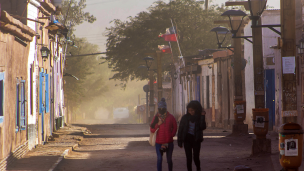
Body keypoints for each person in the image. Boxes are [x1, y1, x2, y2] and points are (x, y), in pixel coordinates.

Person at [177, 100, 206, 171]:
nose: (191, 112)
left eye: (192, 110)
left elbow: (203, 127)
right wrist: (179, 141)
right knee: (189, 158)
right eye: (189, 110)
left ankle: (198, 168)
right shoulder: (185, 118)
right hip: (187, 140)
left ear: (196, 110)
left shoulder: (199, 118)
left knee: (196, 157)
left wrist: (202, 116)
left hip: (196, 140)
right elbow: (180, 130)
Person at [150, 98, 177, 171]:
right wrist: (158, 124)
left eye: (163, 108)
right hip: (159, 142)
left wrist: (173, 134)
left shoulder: (171, 117)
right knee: (159, 159)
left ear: (165, 108)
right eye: (160, 108)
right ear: (158, 109)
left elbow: (175, 126)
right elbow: (152, 129)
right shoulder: (156, 118)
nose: (161, 110)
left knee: (169, 160)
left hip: (169, 142)